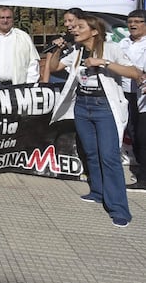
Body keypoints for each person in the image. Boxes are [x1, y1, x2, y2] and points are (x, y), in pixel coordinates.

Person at [48, 13, 142, 228]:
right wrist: (58, 49)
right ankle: (98, 192)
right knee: (91, 152)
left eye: (80, 26)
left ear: (94, 31)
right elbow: (54, 68)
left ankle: (119, 208)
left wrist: (104, 63)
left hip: (105, 108)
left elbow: (134, 72)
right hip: (83, 106)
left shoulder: (111, 49)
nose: (74, 29)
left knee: (109, 157)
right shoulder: (77, 51)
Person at [118, 9, 146, 192]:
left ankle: (144, 179)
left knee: (143, 136)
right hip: (126, 93)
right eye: (130, 22)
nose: (133, 25)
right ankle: (141, 172)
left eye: (137, 21)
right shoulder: (123, 43)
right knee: (133, 133)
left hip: (142, 95)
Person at [41, 8, 83, 84]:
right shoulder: (58, 40)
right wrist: (45, 84)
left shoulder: (84, 42)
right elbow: (48, 66)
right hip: (57, 80)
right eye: (65, 21)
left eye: (70, 20)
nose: (66, 24)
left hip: (76, 81)